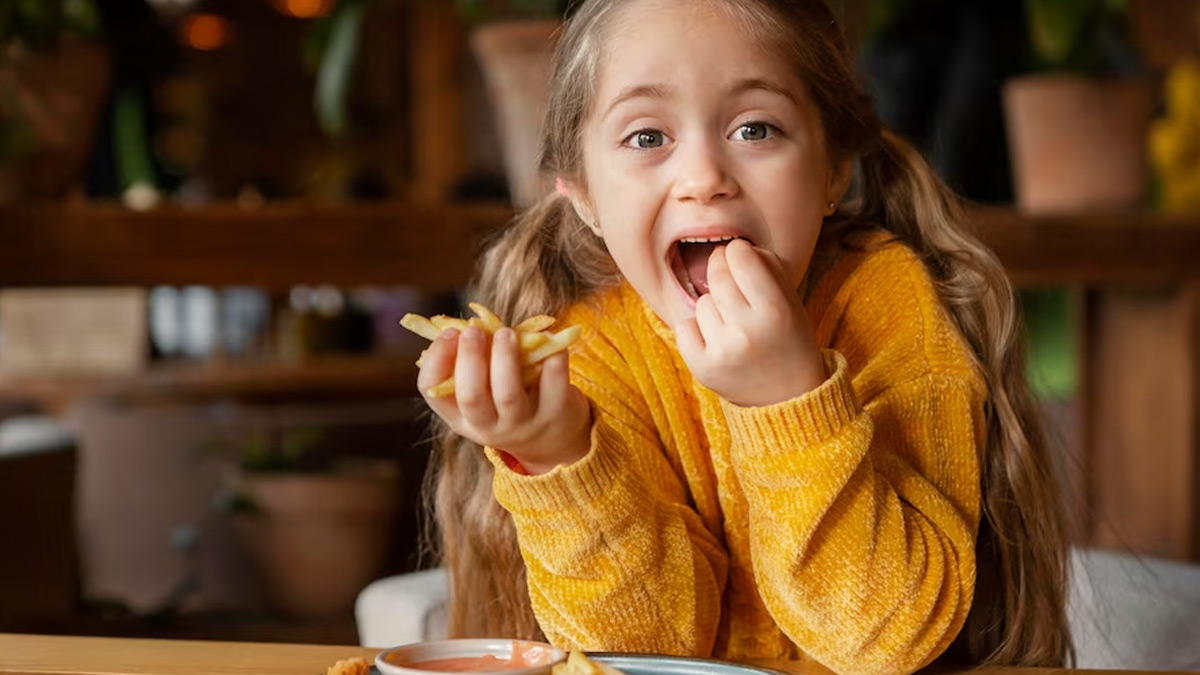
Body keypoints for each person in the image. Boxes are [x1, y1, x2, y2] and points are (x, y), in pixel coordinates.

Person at [417, 1, 1072, 674]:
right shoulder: (588, 352)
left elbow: (889, 642)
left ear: (832, 169)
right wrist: (556, 454)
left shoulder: (886, 305)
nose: (704, 178)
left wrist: (790, 401)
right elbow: (641, 654)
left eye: (755, 128)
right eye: (647, 138)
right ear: (582, 194)